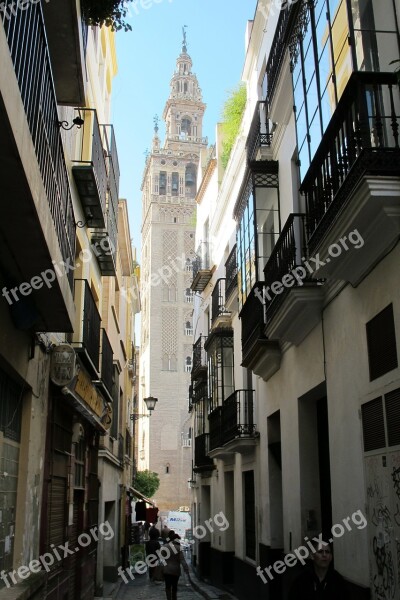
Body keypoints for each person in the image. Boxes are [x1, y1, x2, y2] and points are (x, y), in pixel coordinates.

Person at [162, 530, 189, 600]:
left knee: (167, 586)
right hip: (175, 570)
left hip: (167, 570)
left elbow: (161, 558)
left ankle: (168, 598)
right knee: (174, 586)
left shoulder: (165, 546)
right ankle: (174, 598)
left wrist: (165, 564)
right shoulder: (178, 548)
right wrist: (186, 569)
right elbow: (182, 560)